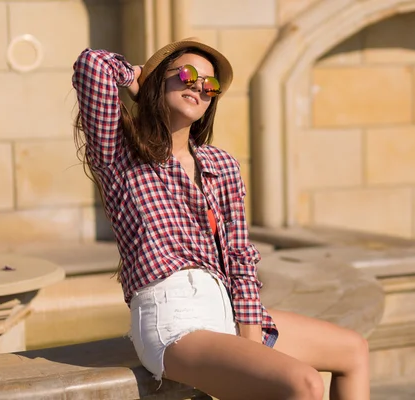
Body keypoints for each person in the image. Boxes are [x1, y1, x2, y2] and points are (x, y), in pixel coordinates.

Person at [72, 38, 370, 400]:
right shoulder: (121, 155)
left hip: (224, 308)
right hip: (173, 320)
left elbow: (240, 258)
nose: (198, 86)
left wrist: (251, 341)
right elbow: (92, 65)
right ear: (159, 81)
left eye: (209, 85)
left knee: (352, 350)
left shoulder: (221, 165)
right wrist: (139, 78)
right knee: (303, 383)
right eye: (187, 74)